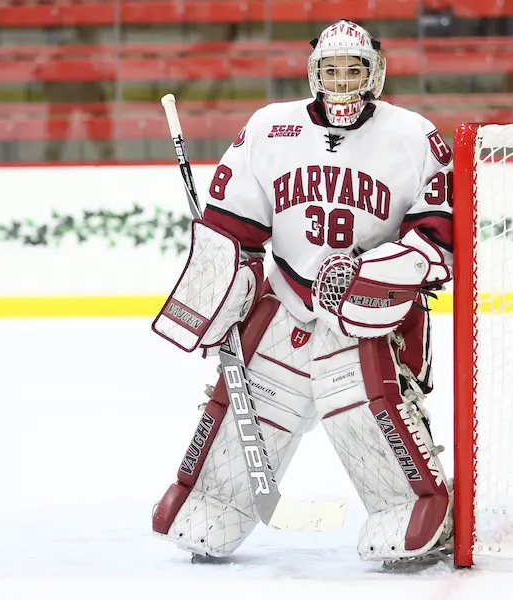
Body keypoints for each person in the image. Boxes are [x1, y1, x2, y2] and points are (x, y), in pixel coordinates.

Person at [149, 20, 454, 564]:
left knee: (362, 407)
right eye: (331, 70)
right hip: (287, 296)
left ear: (374, 73)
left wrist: (379, 276)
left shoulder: (414, 135)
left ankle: (412, 506)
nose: (342, 81)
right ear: (314, 73)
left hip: (365, 311)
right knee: (257, 401)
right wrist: (226, 285)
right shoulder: (271, 128)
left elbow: (437, 238)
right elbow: (231, 225)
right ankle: (216, 499)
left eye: (354, 69)